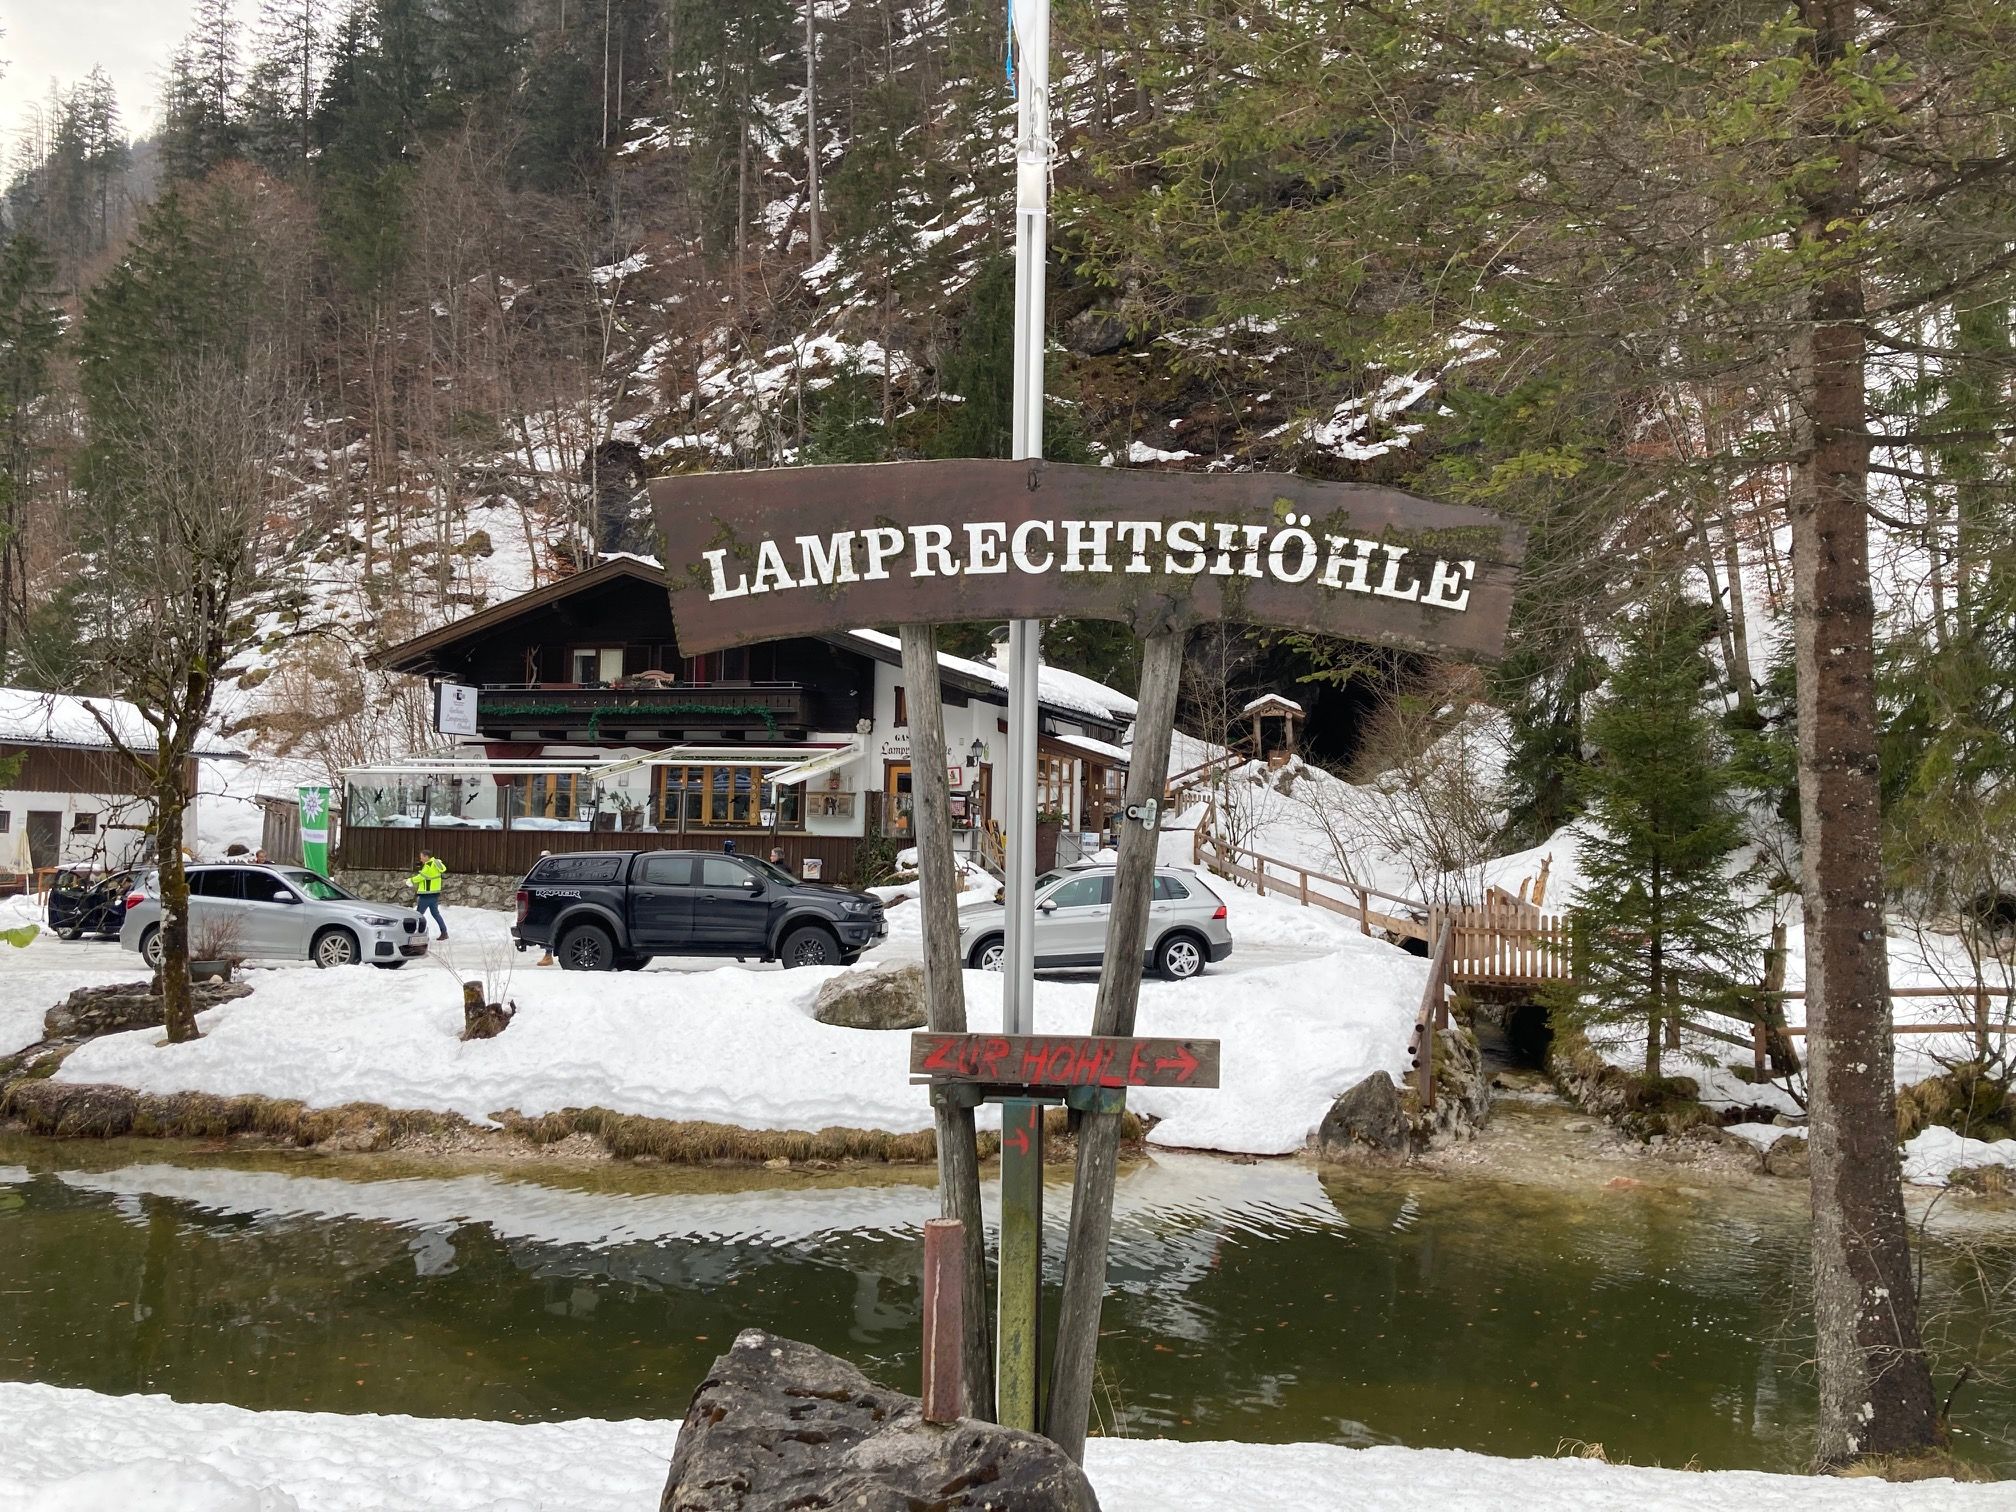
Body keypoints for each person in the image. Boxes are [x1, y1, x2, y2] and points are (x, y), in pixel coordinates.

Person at [407, 849, 449, 940]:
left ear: (426, 857)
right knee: (435, 914)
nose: (420, 859)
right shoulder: (435, 863)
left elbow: (421, 877)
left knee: (418, 915)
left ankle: (416, 934)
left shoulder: (428, 866)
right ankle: (444, 932)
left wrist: (410, 881)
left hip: (426, 895)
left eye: (421, 857)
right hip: (434, 894)